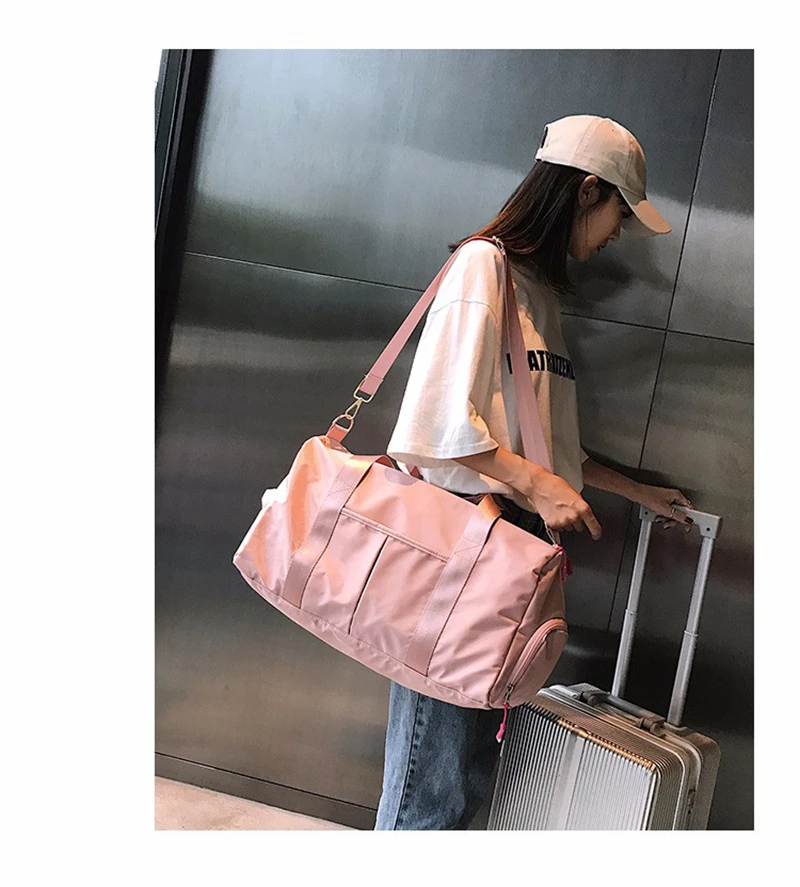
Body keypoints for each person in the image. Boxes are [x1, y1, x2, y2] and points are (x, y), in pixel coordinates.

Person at [374, 115, 694, 831]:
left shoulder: (539, 294)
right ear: (586, 190)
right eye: (619, 214)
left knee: (468, 773)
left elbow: (550, 449)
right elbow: (434, 429)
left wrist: (636, 491)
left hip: (509, 552)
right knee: (435, 778)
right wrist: (535, 485)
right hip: (466, 540)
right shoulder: (482, 267)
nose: (618, 234)